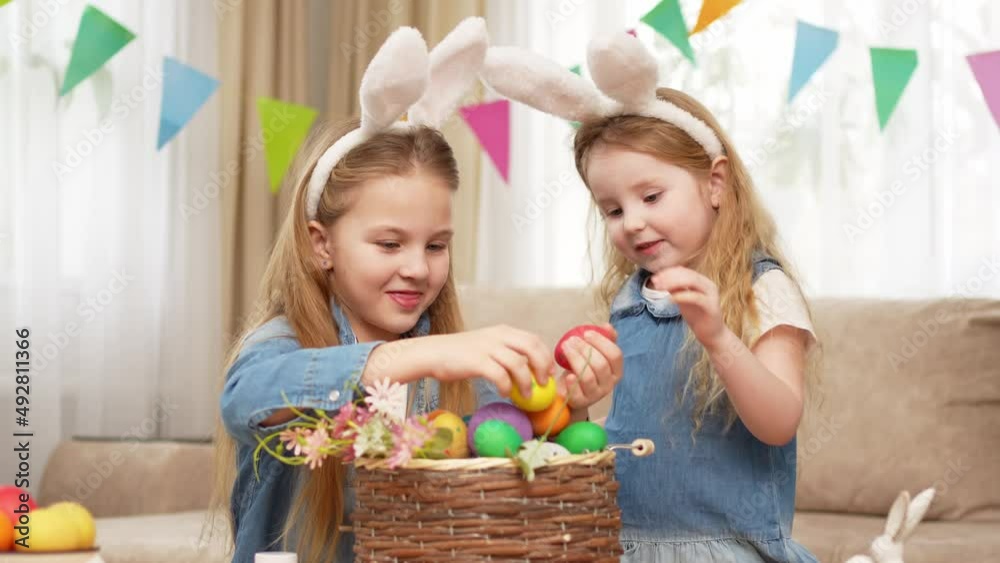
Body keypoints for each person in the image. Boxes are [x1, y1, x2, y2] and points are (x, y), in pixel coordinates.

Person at [481, 32, 820, 562]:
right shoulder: (630, 299)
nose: (633, 222)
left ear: (715, 183)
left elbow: (778, 423)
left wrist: (718, 338)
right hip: (625, 545)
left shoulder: (761, 287)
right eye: (613, 210)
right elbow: (610, 441)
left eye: (652, 196)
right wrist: (576, 403)